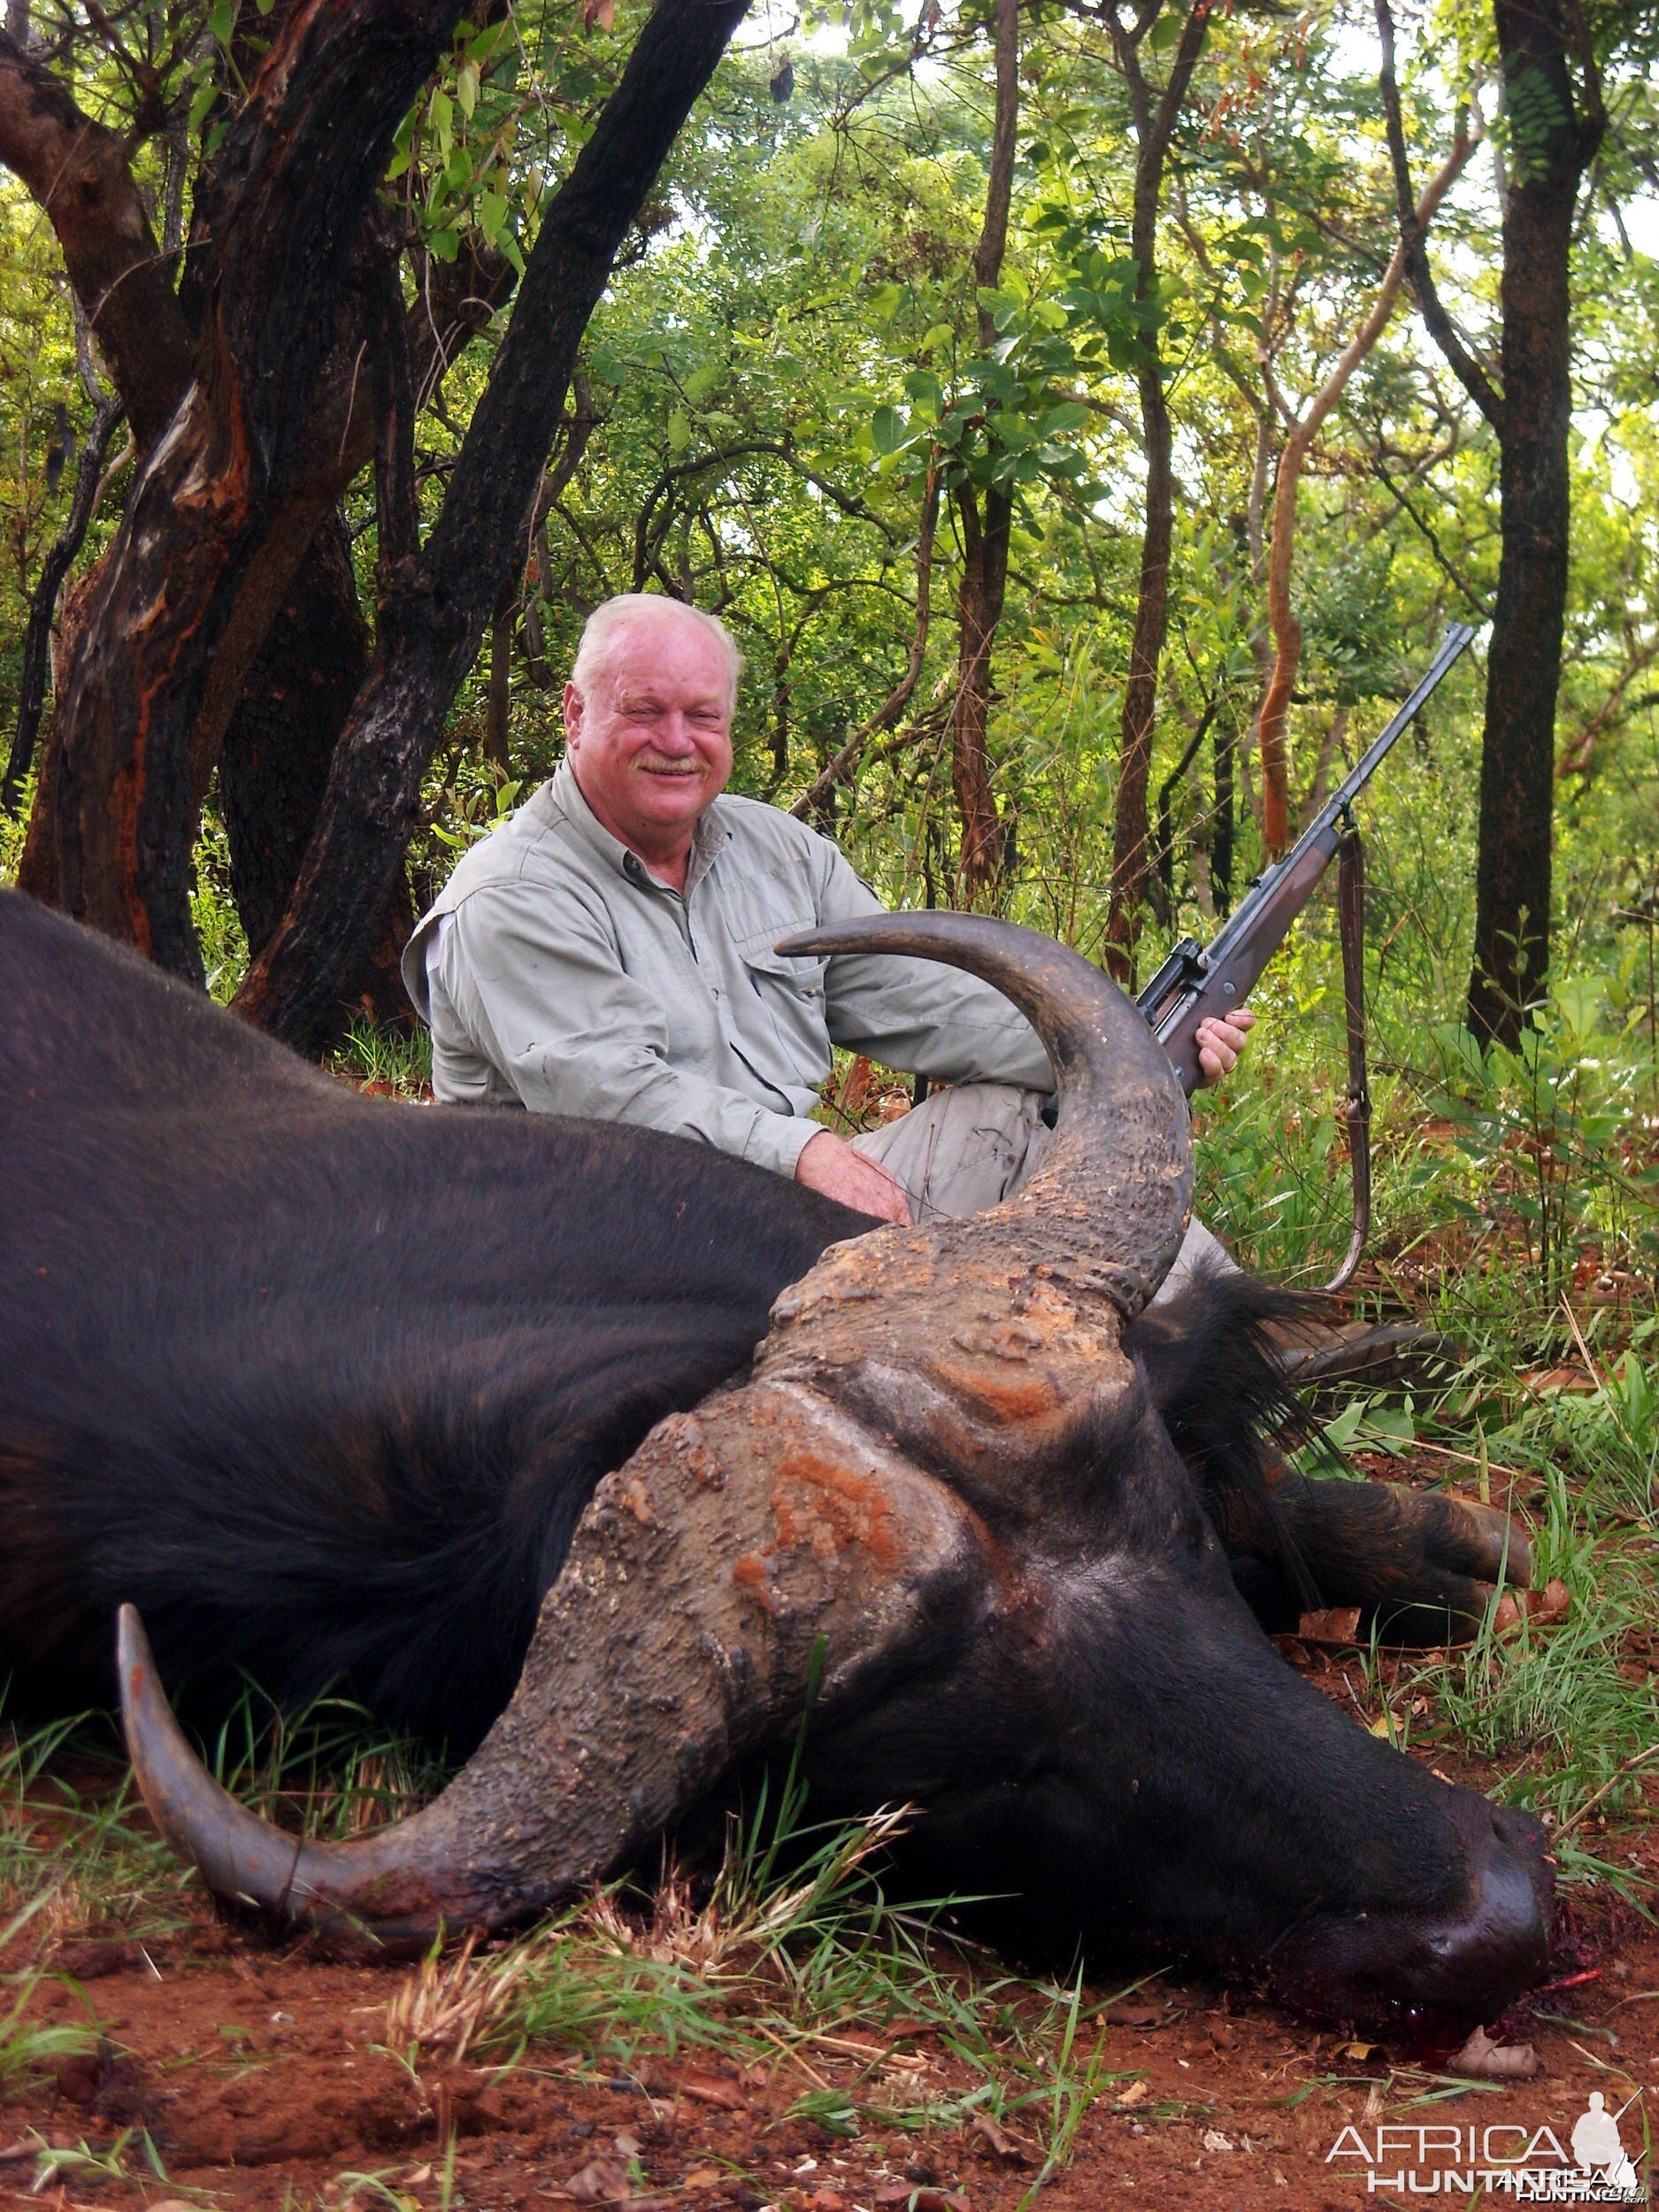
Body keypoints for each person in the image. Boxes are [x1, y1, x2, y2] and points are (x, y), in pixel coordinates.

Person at [403, 595, 1248, 1294]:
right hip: (594, 1261)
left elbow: (923, 1000)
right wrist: (803, 1152)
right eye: (642, 711)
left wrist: (1123, 1048)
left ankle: (1240, 1345)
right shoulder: (512, 897)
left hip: (767, 1214)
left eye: (703, 716)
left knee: (1015, 1120)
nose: (676, 741)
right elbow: (619, 1109)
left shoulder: (776, 851)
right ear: (575, 713)